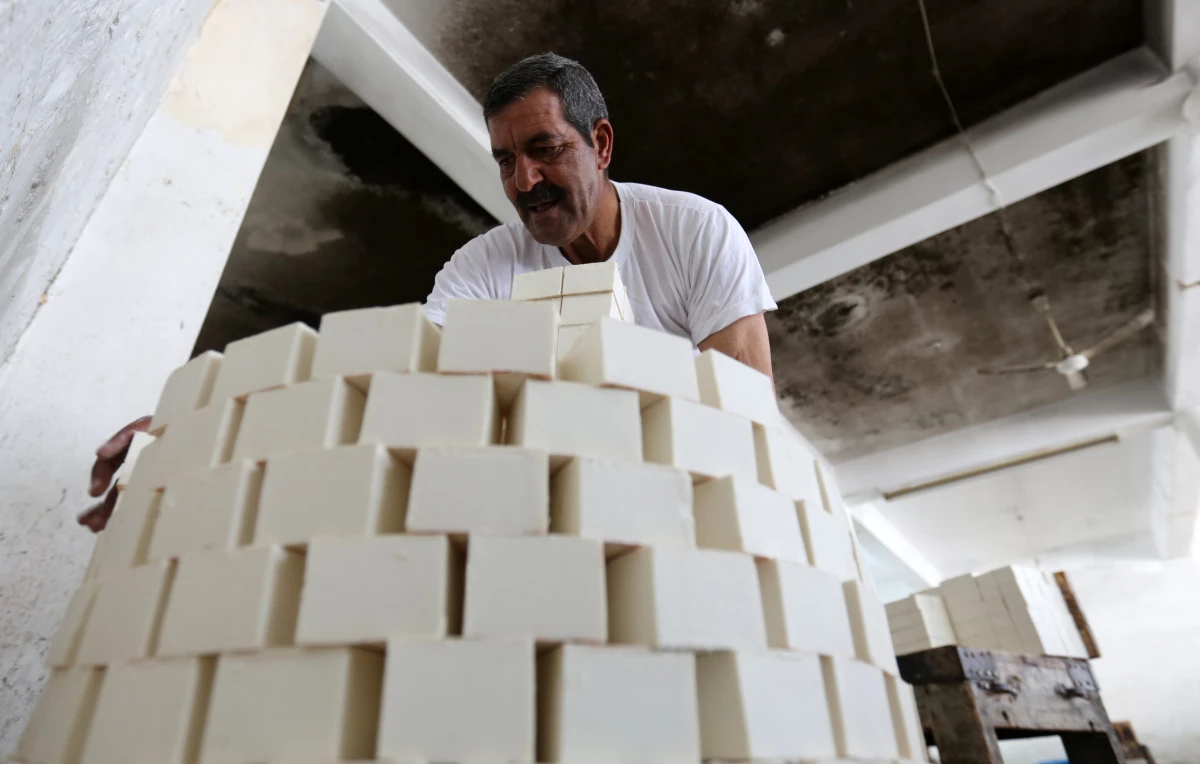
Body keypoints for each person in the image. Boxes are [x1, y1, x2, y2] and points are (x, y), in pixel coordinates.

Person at [82, 52, 777, 531]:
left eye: (545, 149)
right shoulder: (483, 268)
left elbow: (743, 419)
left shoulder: (696, 233)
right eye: (506, 160)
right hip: (537, 518)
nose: (523, 182)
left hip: (674, 511)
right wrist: (195, 430)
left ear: (599, 142)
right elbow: (383, 375)